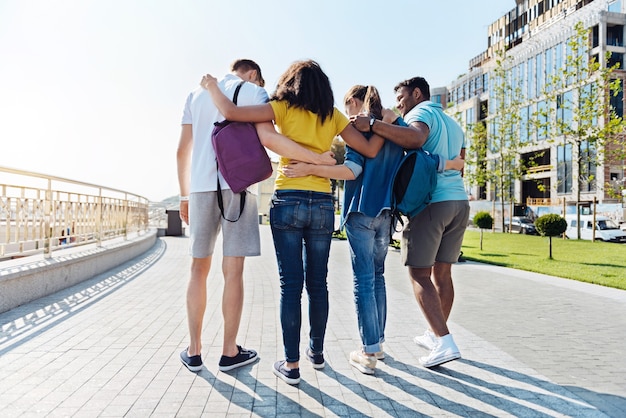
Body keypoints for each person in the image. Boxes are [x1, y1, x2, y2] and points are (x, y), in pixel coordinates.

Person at [201, 60, 385, 384]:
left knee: (290, 286)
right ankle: (317, 353)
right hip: (323, 205)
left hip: (287, 201)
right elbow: (369, 148)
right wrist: (378, 125)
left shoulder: (282, 107)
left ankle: (292, 365)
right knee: (318, 284)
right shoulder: (333, 115)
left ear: (290, 83)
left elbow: (230, 112)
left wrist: (212, 86)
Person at [283, 85, 464, 375]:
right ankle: (377, 343)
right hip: (386, 215)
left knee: (364, 281)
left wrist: (310, 168)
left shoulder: (361, 129)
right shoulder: (395, 127)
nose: (347, 114)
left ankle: (368, 351)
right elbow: (420, 152)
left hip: (361, 211)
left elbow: (352, 171)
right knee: (377, 278)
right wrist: (453, 163)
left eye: (347, 105)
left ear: (355, 101)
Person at [176, 59, 335, 373]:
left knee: (198, 268)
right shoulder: (253, 92)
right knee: (232, 271)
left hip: (200, 188)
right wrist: (317, 159)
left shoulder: (196, 94)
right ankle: (229, 351)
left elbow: (183, 149)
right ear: (252, 74)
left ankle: (194, 351)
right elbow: (270, 139)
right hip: (239, 187)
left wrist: (184, 196)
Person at [351, 76, 470, 368]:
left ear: (417, 93)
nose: (400, 104)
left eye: (402, 97)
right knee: (443, 275)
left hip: (432, 204)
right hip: (459, 203)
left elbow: (416, 138)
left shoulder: (421, 113)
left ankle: (444, 341)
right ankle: (434, 334)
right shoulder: (454, 124)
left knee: (419, 275)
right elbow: (461, 164)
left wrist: (375, 126)